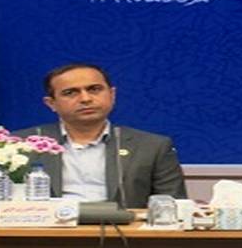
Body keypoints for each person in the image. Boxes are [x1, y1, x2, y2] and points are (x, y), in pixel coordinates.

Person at [18, 63, 186, 205]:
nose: (85, 99)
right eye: (71, 93)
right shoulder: (19, 145)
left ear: (112, 95)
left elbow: (174, 206)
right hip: (47, 232)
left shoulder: (152, 146)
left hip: (124, 231)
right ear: (51, 103)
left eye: (94, 89)